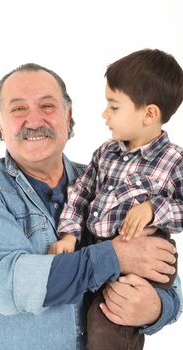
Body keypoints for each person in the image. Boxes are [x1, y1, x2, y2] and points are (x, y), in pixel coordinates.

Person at [0, 62, 181, 350]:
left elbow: (170, 284)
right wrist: (116, 256)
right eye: (18, 109)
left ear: (68, 116)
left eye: (47, 106)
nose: (34, 121)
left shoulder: (109, 184)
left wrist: (156, 308)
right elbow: (11, 286)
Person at [52, 49, 183, 349]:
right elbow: (81, 193)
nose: (104, 114)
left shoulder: (174, 160)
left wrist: (153, 208)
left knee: (109, 321)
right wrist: (70, 234)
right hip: (98, 248)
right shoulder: (105, 152)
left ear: (149, 114)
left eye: (113, 106)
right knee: (81, 313)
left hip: (147, 256)